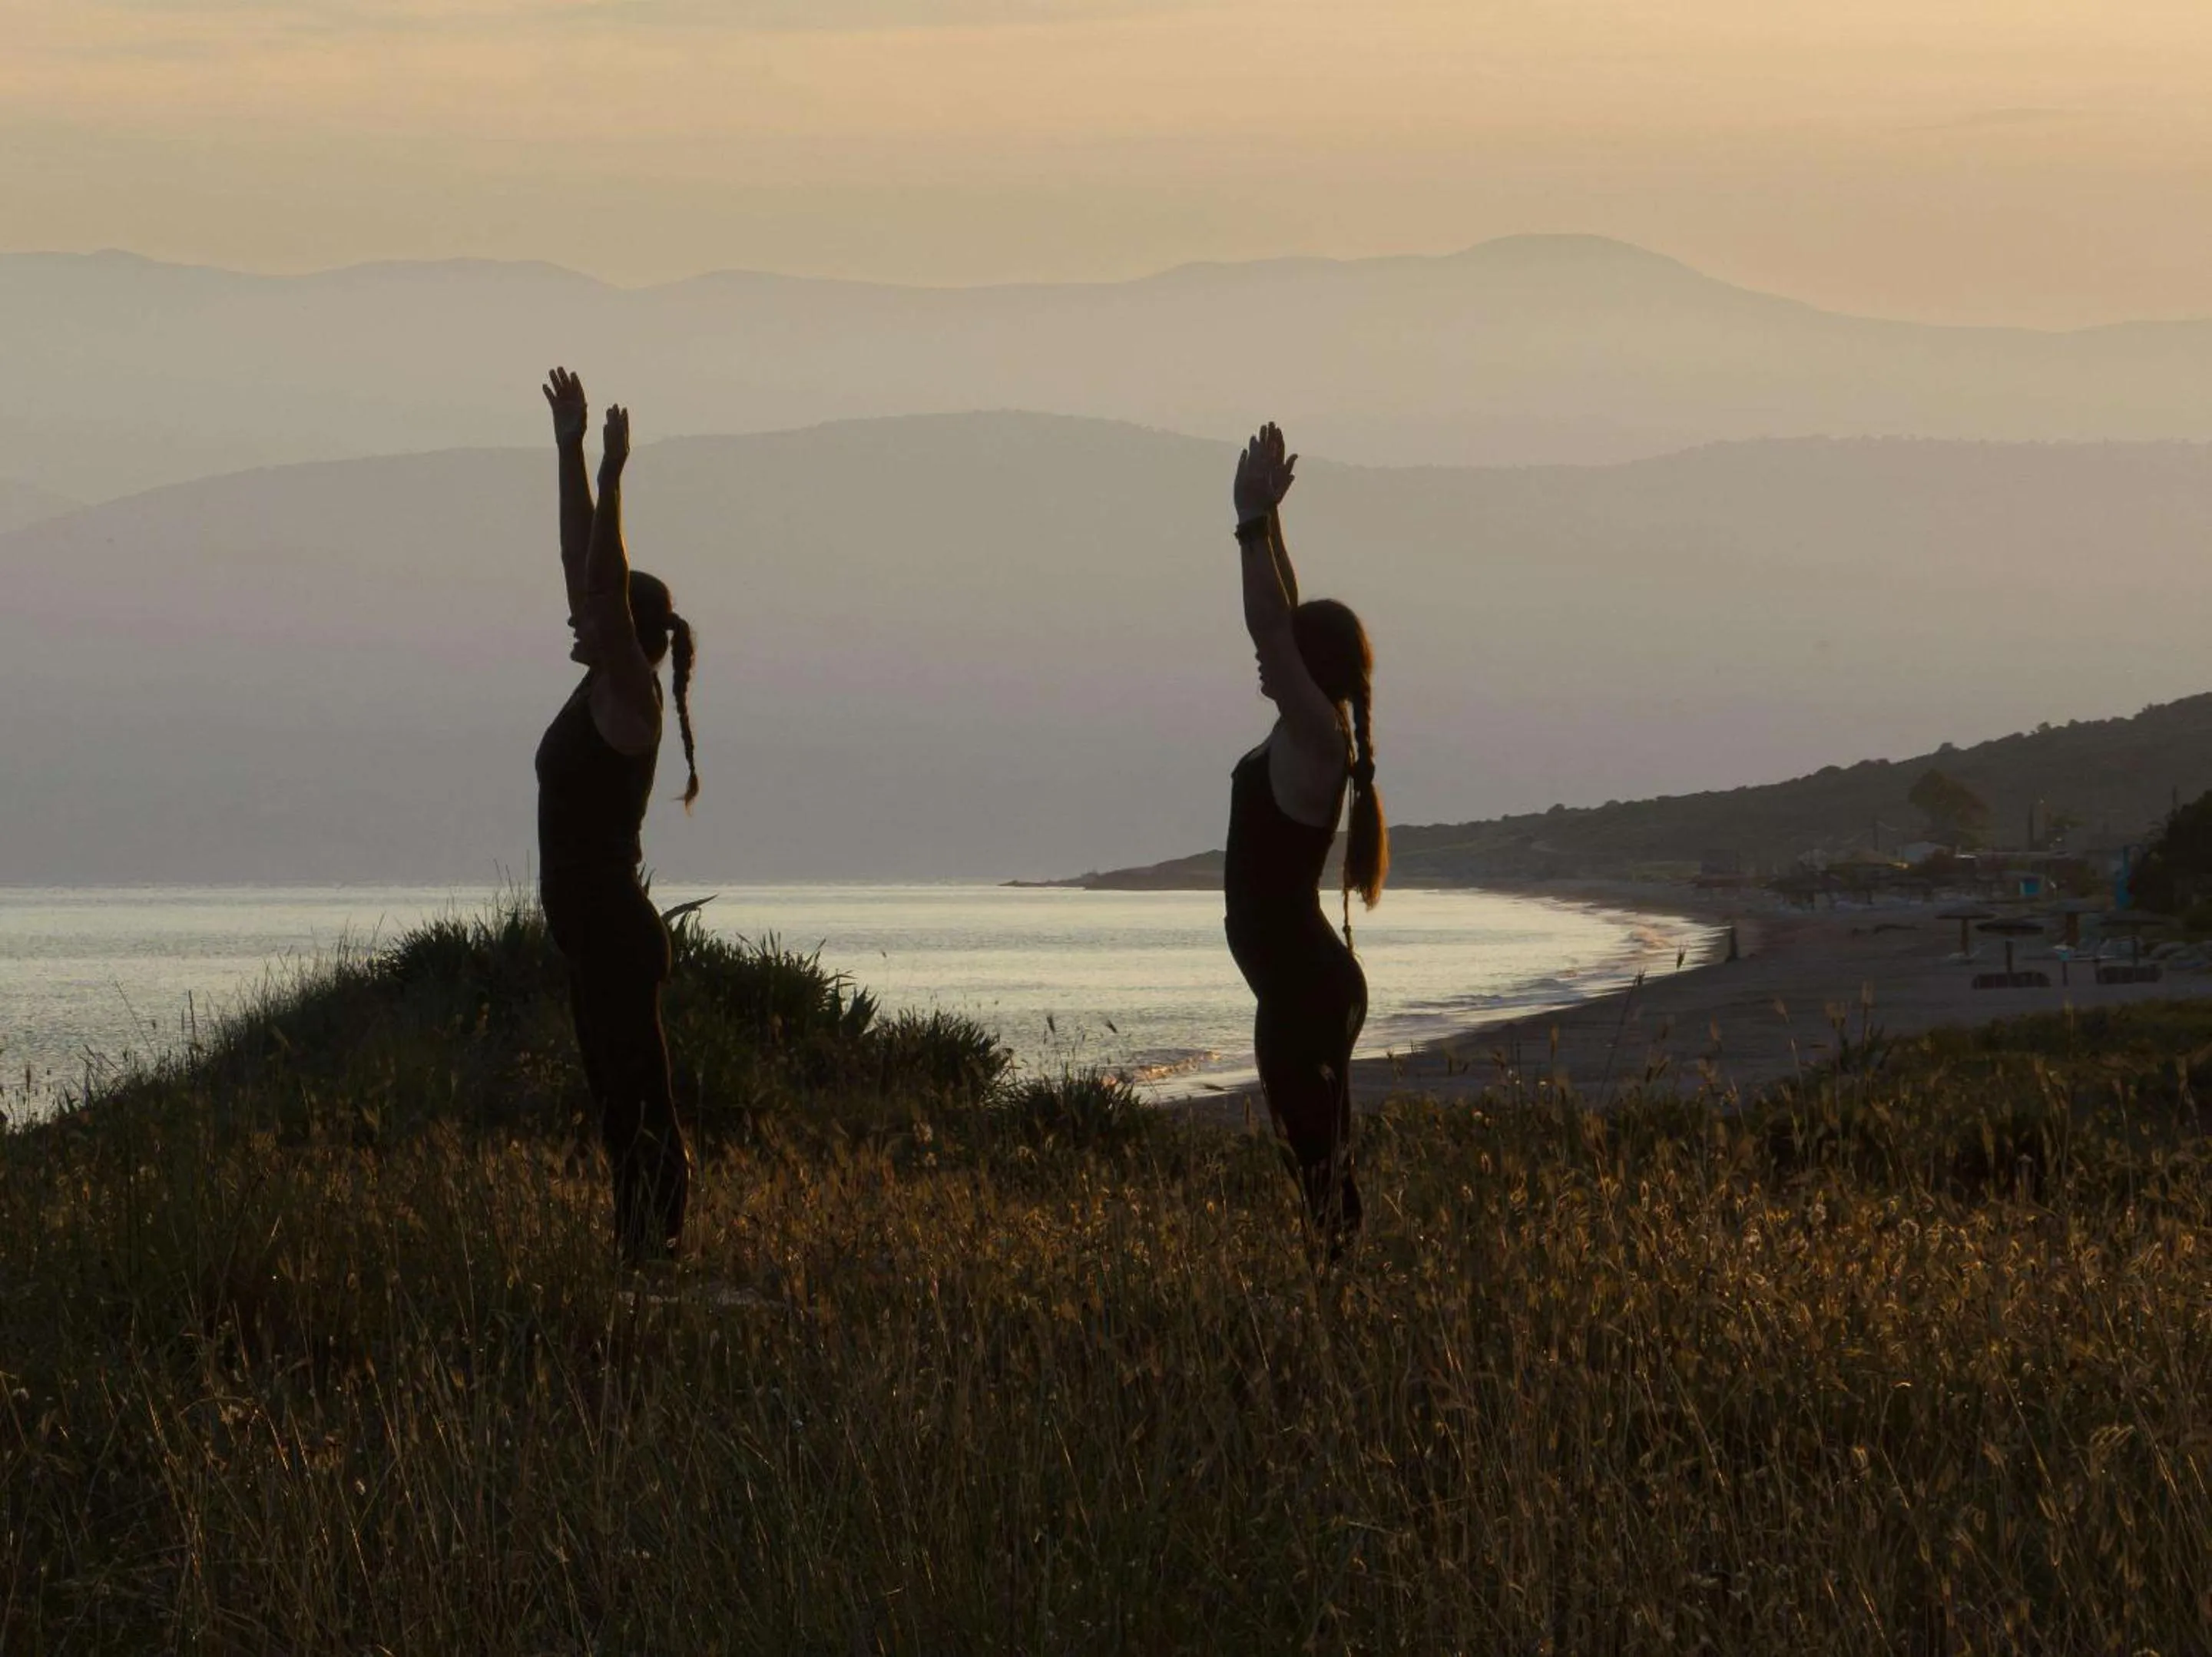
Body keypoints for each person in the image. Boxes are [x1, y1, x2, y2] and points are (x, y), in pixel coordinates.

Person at [537, 367, 700, 1264]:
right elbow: (581, 567)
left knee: (638, 1105)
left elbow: (601, 580)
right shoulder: (601, 680)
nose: (573, 615)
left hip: (614, 935)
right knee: (615, 1104)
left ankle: (657, 1252)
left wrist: (613, 480)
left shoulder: (630, 702)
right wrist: (566, 452)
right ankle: (639, 1251)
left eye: (594, 610)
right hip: (592, 935)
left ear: (623, 630)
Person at [1224, 422, 1389, 1257]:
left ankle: (1345, 1318)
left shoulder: (1318, 739)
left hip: (1307, 996)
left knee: (1323, 1182)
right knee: (1320, 1173)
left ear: (1309, 668)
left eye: (1290, 654)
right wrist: (1276, 528)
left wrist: (1251, 524)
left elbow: (1267, 627)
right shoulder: (1314, 735)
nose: (1268, 661)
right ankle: (1343, 1307)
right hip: (1303, 989)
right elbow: (1282, 620)